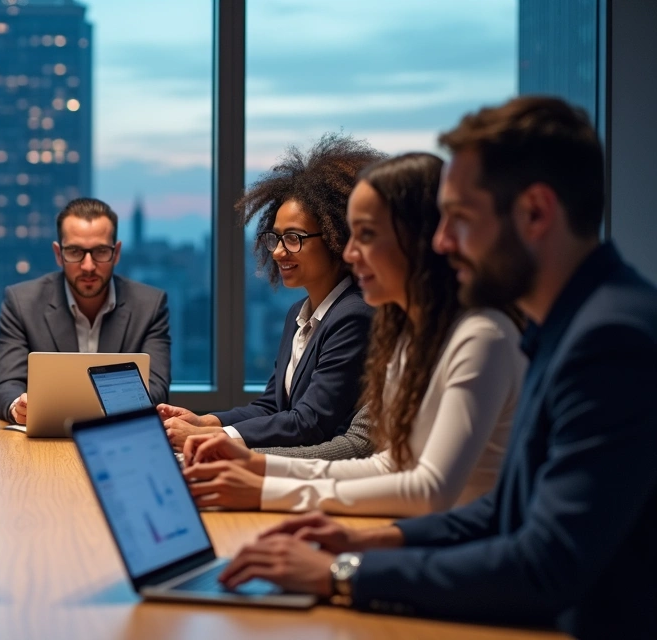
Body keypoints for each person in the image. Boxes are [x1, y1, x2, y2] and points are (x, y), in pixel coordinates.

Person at [213, 97, 657, 638]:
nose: (442, 243)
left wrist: (342, 572)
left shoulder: (609, 339)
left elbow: (547, 564)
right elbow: (508, 507)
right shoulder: (567, 324)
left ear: (536, 214)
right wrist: (378, 541)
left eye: (461, 220)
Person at [183, 152, 525, 517]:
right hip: (428, 538)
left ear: (422, 238)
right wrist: (258, 467)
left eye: (366, 235)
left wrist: (264, 488)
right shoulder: (412, 338)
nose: (348, 251)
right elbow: (387, 465)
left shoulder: (481, 337)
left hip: (465, 553)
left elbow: (429, 490)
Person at [158, 134, 379, 452]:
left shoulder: (354, 314)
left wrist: (215, 439)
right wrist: (207, 422)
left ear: (337, 237)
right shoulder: (298, 315)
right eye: (275, 238)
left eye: (293, 238)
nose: (278, 252)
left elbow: (310, 422)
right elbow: (272, 407)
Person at [0, 197, 171, 424]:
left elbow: (156, 389)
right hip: (44, 442)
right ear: (58, 254)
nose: (88, 266)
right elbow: (5, 385)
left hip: (118, 438)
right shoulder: (21, 302)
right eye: (75, 251)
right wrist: (18, 407)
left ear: (116, 253)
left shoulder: (149, 305)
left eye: (100, 251)